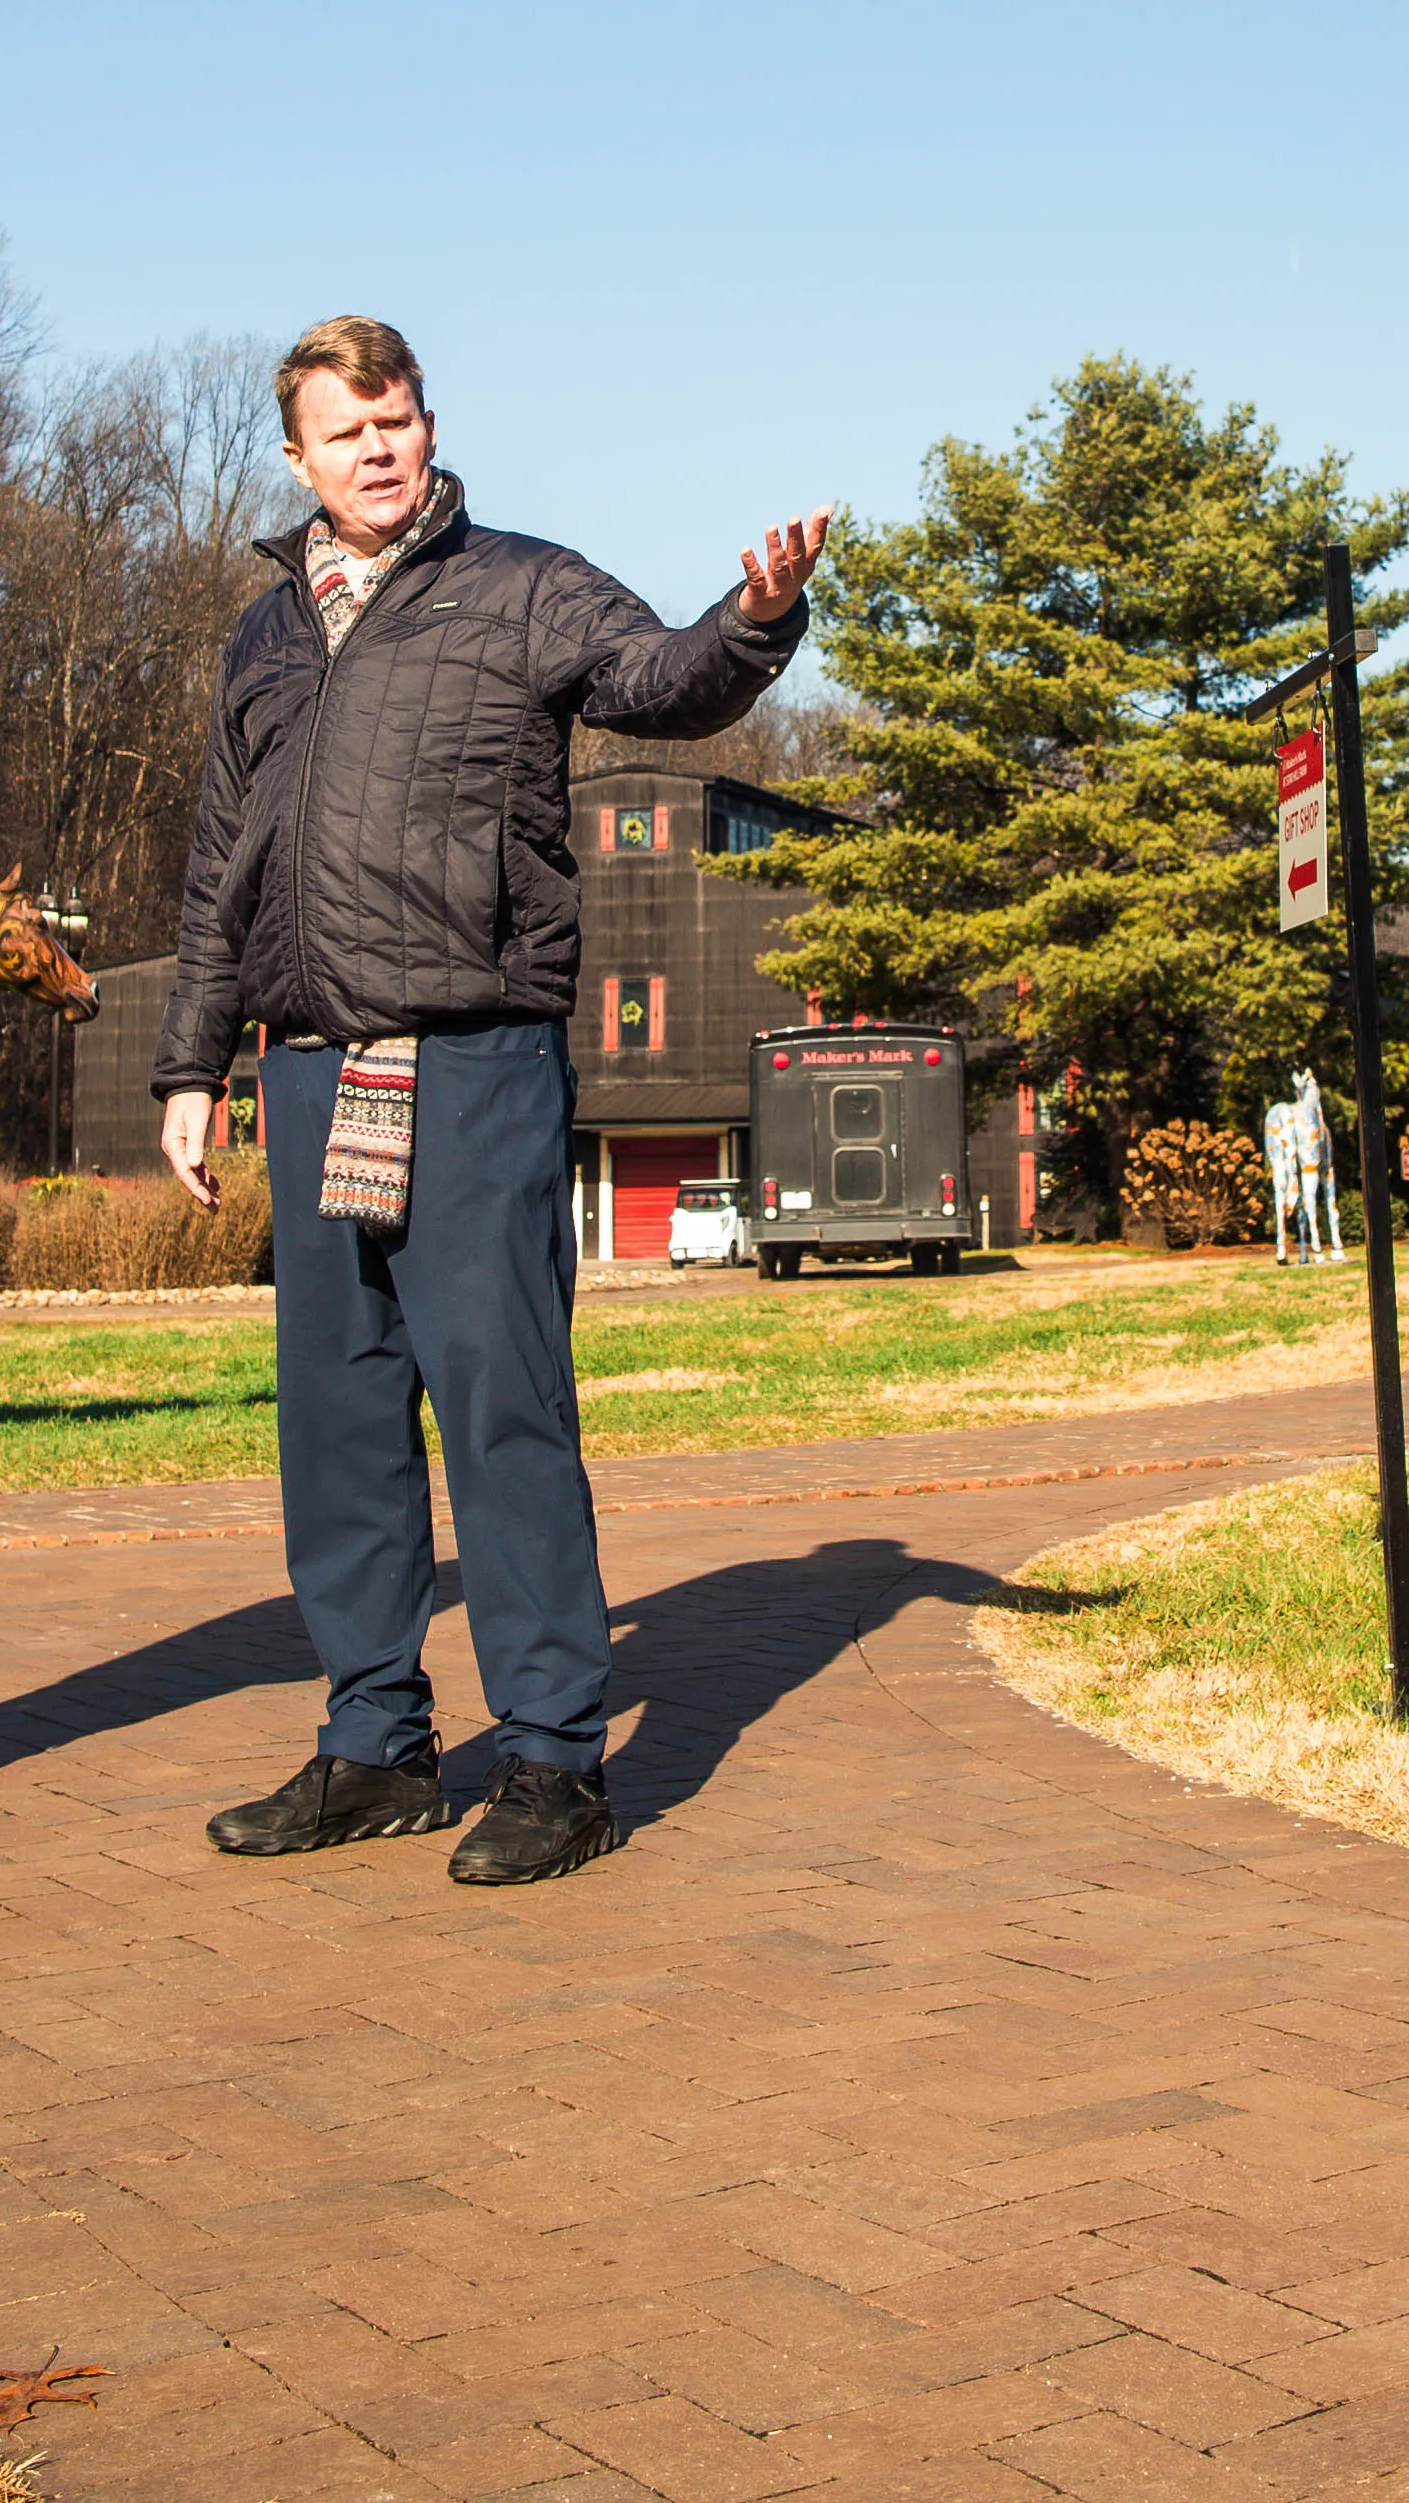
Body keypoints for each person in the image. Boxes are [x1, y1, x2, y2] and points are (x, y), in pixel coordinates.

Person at [161, 315, 824, 1888]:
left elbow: (663, 681)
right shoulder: (264, 638)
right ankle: (375, 1745)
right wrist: (192, 1062)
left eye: (399, 421)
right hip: (314, 1071)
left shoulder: (521, 585)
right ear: (298, 457)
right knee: (338, 1423)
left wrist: (758, 617)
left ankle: (552, 1761)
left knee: (501, 1407)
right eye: (348, 431)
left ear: (427, 424)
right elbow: (218, 871)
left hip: (472, 1061)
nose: (381, 450)